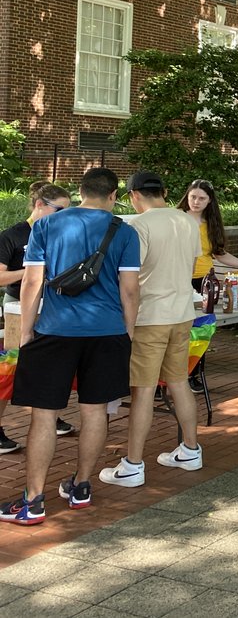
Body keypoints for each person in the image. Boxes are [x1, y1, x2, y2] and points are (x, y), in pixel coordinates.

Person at [1, 168, 140, 523]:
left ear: (80, 192)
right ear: (113, 196)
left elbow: (32, 283)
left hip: (55, 330)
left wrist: (26, 331)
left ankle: (33, 501)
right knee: (94, 411)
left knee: (44, 415)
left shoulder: (47, 226)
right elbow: (130, 289)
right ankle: (80, 486)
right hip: (107, 333)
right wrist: (127, 331)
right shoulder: (124, 232)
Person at [99, 171, 204, 488]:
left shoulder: (138, 226)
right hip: (183, 313)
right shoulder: (188, 221)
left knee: (143, 390)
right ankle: (190, 449)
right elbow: (192, 263)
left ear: (133, 195)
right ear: (165, 191)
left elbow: (129, 277)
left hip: (149, 317)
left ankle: (132, 465)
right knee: (178, 382)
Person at [0, 183, 74, 455]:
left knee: (49, 368)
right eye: (60, 210)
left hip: (53, 307)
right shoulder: (13, 235)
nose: (64, 216)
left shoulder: (61, 234)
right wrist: (30, 272)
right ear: (40, 205)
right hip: (18, 308)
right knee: (11, 371)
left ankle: (49, 416)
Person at [178, 178, 238, 293]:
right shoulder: (176, 218)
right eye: (193, 197)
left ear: (209, 200)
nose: (196, 202)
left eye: (202, 198)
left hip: (205, 279)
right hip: (179, 279)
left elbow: (219, 254)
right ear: (187, 196)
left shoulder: (212, 223)